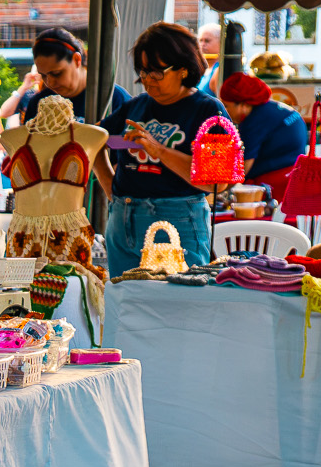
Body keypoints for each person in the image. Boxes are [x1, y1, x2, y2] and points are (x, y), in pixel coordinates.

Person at [99, 22, 228, 277]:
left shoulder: (208, 111)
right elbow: (94, 141)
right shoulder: (134, 106)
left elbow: (218, 183)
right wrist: (111, 189)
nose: (147, 81)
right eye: (143, 72)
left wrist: (160, 151)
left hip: (178, 219)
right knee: (125, 306)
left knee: (179, 306)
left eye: (157, 72)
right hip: (123, 218)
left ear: (182, 69)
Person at [7, 28, 128, 129]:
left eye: (57, 73)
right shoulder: (39, 104)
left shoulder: (114, 99)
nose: (50, 82)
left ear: (77, 59)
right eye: (43, 75)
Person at [218, 72, 307, 206]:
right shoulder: (273, 109)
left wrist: (217, 192)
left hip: (277, 187)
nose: (225, 111)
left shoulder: (254, 121)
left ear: (243, 104)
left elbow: (241, 169)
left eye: (226, 106)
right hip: (296, 182)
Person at [195, 22, 223, 93]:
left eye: (207, 41)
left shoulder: (219, 70)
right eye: (201, 40)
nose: (202, 45)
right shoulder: (201, 68)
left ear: (221, 43)